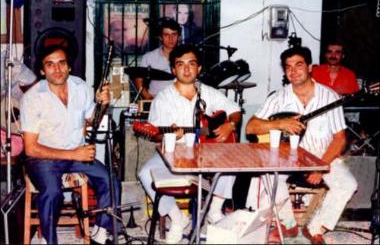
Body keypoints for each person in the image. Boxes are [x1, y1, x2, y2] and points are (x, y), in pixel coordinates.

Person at [245, 46, 358, 244]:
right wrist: (279, 123)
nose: (293, 71)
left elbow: (340, 138)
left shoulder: (329, 97)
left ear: (310, 67)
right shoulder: (278, 97)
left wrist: (321, 167)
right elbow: (250, 127)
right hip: (286, 157)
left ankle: (315, 228)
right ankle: (288, 225)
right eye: (288, 67)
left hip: (323, 155)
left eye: (298, 65)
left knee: (348, 184)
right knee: (268, 178)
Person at [138, 44, 241, 243]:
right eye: (180, 64)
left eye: (191, 64)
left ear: (199, 68)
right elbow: (156, 134)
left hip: (206, 152)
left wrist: (230, 124)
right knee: (145, 173)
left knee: (232, 159)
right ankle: (178, 219)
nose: (186, 69)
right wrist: (170, 136)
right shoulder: (163, 98)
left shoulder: (209, 93)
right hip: (174, 153)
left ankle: (214, 211)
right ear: (173, 69)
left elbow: (235, 110)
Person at [20, 44, 122, 244]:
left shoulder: (79, 86)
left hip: (77, 153)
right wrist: (74, 154)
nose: (57, 69)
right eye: (50, 65)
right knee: (52, 192)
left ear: (69, 67)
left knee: (111, 181)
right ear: (42, 70)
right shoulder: (32, 98)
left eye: (61, 63)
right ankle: (49, 240)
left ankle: (100, 234)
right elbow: (31, 148)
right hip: (43, 158)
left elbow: (93, 119)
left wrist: (102, 103)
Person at [134, 18, 181, 100]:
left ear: (179, 37)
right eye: (166, 35)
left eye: (174, 34)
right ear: (160, 37)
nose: (171, 38)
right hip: (156, 100)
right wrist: (148, 97)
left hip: (179, 100)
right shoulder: (149, 57)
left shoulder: (185, 57)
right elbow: (138, 80)